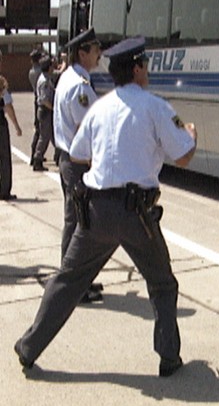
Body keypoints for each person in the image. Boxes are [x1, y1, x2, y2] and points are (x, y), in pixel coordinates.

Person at [14, 36, 198, 377]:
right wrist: (192, 133)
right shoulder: (156, 107)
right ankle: (168, 358)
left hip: (95, 211)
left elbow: (79, 152)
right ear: (139, 68)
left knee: (68, 281)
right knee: (162, 284)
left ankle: (28, 346)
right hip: (136, 214)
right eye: (146, 65)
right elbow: (184, 155)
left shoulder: (99, 107)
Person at [53, 27, 103, 302]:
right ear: (82, 53)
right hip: (78, 164)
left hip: (69, 161)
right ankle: (72, 286)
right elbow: (88, 128)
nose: (99, 55)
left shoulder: (68, 78)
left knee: (77, 222)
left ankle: (77, 280)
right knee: (79, 224)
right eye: (95, 50)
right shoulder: (79, 86)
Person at [0, 53, 23, 201]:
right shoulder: (0, 82)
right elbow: (8, 106)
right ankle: (4, 191)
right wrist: (16, 126)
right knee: (4, 157)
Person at [32, 56, 56, 171]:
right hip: (45, 111)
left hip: (46, 111)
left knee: (51, 135)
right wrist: (54, 109)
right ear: (48, 67)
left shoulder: (47, 77)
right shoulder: (45, 81)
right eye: (52, 65)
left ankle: (59, 156)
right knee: (44, 137)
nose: (53, 67)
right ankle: (37, 159)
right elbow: (44, 99)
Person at [28, 49, 43, 166]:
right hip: (41, 100)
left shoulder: (31, 71)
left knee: (38, 128)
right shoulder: (39, 71)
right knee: (40, 130)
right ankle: (35, 155)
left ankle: (34, 153)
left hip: (36, 99)